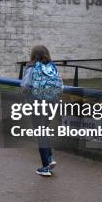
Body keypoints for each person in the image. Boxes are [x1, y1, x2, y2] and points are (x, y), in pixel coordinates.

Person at [20, 45, 63, 177]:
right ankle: (49, 159)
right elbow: (61, 85)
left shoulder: (32, 67)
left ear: (33, 55)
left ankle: (45, 167)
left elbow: (25, 86)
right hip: (52, 104)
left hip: (37, 103)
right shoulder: (52, 67)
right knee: (43, 131)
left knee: (41, 133)